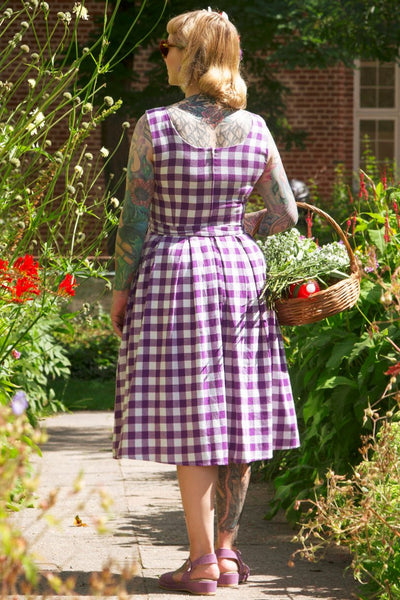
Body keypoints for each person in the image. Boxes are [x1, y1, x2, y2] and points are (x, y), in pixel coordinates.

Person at [110, 8, 300, 596]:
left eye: (167, 45)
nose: (160, 52)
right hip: (239, 273)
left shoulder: (156, 126)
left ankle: (199, 563)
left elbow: (136, 220)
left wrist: (120, 292)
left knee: (192, 416)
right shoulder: (257, 128)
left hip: (174, 275)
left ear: (190, 56)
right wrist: (236, 227)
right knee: (238, 410)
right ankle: (225, 552)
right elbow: (286, 214)